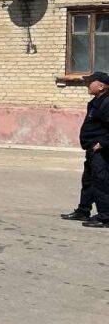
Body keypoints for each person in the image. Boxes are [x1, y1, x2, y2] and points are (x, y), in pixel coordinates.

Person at [61, 72, 109, 227]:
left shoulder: (107, 102)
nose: (87, 84)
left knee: (101, 182)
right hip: (92, 149)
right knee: (88, 181)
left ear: (101, 86)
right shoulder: (96, 101)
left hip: (101, 151)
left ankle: (105, 217)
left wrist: (102, 143)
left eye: (90, 82)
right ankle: (83, 210)